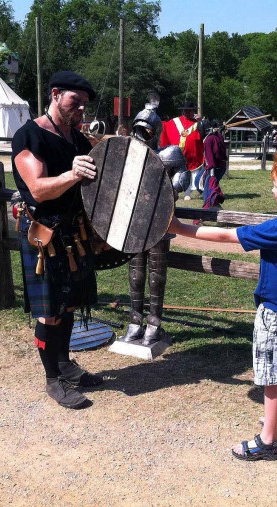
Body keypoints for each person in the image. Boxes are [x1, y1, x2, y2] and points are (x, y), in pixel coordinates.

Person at [168, 150, 277, 461]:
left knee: (271, 376)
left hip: (275, 313)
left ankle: (267, 442)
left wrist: (180, 228)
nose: (272, 189)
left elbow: (228, 235)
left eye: (276, 185)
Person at [11, 71, 103, 410]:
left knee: (69, 306)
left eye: (83, 105)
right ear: (54, 94)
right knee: (49, 312)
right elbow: (36, 188)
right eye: (73, 102)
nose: (80, 109)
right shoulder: (29, 136)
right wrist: (72, 173)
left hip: (73, 235)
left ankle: (65, 365)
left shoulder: (77, 138)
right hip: (44, 235)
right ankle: (54, 379)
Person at [119, 95, 174, 346]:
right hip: (135, 221)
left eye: (146, 130)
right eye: (139, 129)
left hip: (159, 220)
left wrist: (165, 191)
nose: (142, 134)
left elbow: (181, 180)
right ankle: (136, 321)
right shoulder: (128, 156)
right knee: (137, 271)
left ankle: (152, 323)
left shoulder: (169, 154)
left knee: (155, 272)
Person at [160, 100, 204, 200]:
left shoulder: (198, 123)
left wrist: (201, 122)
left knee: (196, 174)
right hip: (180, 155)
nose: (188, 112)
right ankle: (185, 192)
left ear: (193, 111)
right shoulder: (174, 122)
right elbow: (163, 128)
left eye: (190, 111)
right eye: (186, 110)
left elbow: (203, 135)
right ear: (183, 111)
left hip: (195, 155)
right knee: (180, 174)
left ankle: (200, 190)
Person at [201, 121, 227, 210]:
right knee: (206, 187)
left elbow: (209, 156)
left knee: (208, 190)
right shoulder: (219, 136)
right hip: (221, 166)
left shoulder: (209, 140)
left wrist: (210, 169)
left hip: (214, 167)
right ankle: (212, 207)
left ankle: (208, 211)